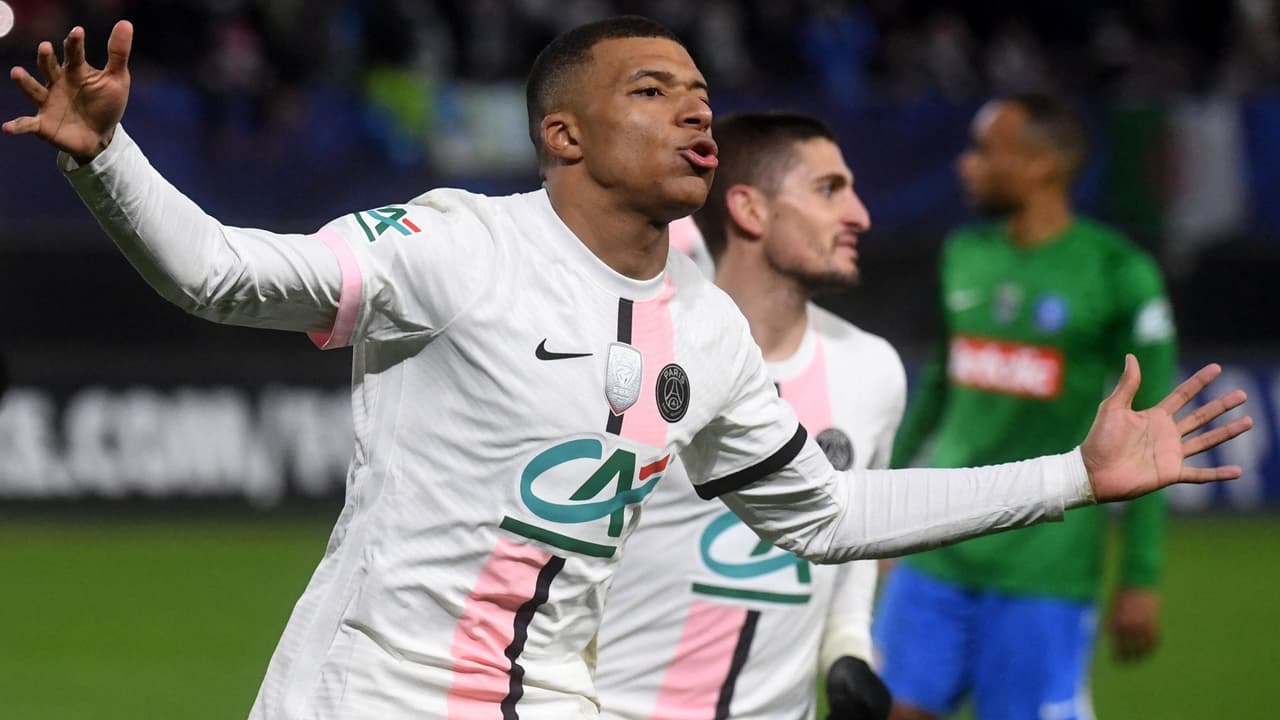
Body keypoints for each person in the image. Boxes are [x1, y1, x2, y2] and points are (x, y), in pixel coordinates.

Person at [3, 18, 1249, 720]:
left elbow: (820, 515)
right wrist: (105, 156)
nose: (695, 111)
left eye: (699, 93)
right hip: (373, 695)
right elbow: (220, 273)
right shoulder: (456, 246)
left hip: (557, 699)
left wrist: (1073, 476)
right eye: (652, 92)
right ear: (563, 134)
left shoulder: (702, 329)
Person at [874, 94, 1178, 720]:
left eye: (984, 151)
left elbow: (1153, 438)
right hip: (938, 544)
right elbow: (937, 392)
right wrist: (875, 504)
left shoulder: (1119, 273)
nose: (965, 165)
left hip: (1044, 564)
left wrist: (1140, 577)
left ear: (1042, 165)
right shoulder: (964, 254)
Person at [595, 112, 900, 720]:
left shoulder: (874, 371)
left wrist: (847, 648)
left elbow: (854, 540)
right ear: (750, 210)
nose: (860, 215)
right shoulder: (635, 357)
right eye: (829, 190)